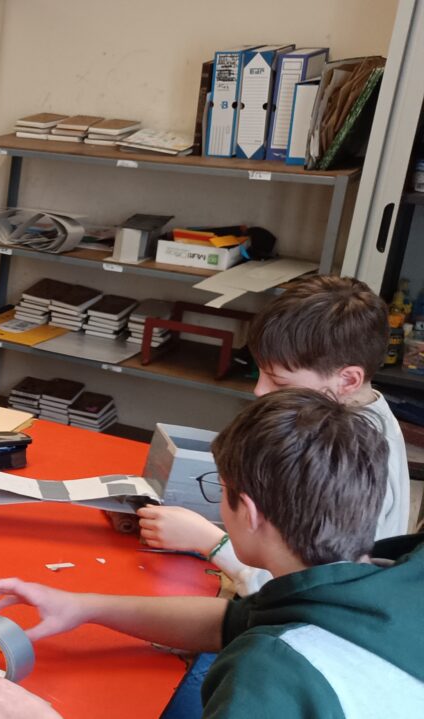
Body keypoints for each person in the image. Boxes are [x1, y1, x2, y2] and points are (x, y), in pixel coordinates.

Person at [0, 388, 424, 719]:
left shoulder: (269, 674)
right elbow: (233, 621)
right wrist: (84, 606)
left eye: (221, 490)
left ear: (250, 513)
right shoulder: (391, 578)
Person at [135, 275, 411, 719]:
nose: (260, 391)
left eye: (278, 380)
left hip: (297, 637)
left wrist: (212, 541)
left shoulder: (341, 456)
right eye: (260, 372)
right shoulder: (359, 419)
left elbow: (287, 588)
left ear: (347, 379)